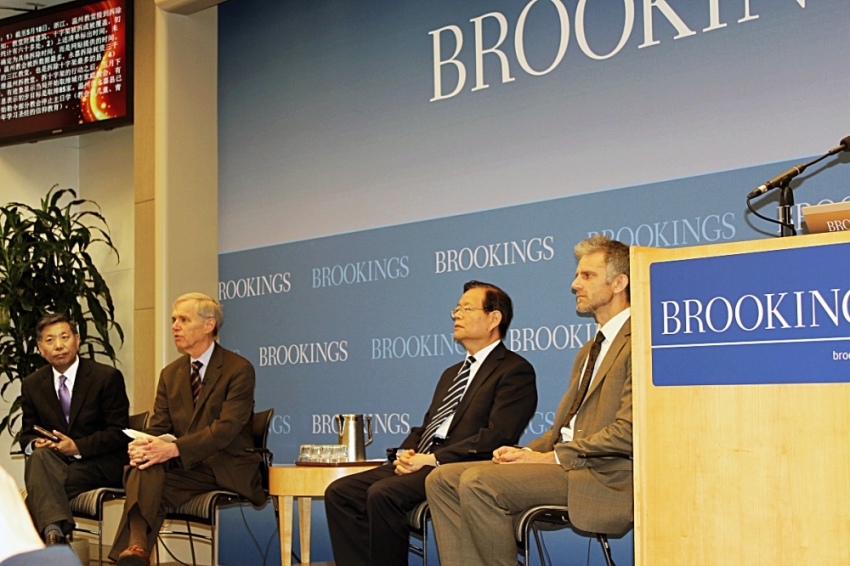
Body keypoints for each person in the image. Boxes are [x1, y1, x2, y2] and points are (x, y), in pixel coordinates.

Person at [425, 235, 633, 566]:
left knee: (479, 483)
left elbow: (630, 432)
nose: (574, 284)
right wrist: (528, 453)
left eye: (587, 276)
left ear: (619, 282)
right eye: (577, 275)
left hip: (600, 474)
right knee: (441, 478)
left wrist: (549, 459)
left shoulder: (641, 340)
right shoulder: (589, 349)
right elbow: (562, 431)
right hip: (566, 465)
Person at [324, 280, 537, 566]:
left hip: (460, 468)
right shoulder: (452, 373)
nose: (456, 315)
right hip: (423, 462)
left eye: (466, 309)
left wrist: (432, 459)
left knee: (383, 493)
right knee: (341, 492)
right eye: (456, 309)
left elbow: (496, 436)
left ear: (494, 319)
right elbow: (427, 427)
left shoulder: (514, 370)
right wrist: (406, 454)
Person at [109, 293, 264, 566]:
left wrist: (173, 449)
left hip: (224, 466)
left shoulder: (238, 369)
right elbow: (159, 426)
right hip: (185, 469)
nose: (174, 326)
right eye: (173, 320)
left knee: (145, 482)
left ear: (208, 325)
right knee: (142, 468)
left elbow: (226, 429)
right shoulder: (171, 374)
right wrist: (144, 445)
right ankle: (136, 549)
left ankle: (134, 549)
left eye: (183, 319)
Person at [20, 313, 130, 545]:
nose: (59, 345)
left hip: (99, 463)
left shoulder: (106, 377)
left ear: (77, 340)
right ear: (40, 348)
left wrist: (77, 447)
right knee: (39, 456)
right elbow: (27, 433)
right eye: (50, 340)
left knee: (39, 489)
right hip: (55, 463)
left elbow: (119, 432)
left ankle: (50, 541)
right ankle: (54, 536)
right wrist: (35, 443)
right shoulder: (32, 384)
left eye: (64, 337)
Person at [0, 464, 82, 566]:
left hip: (93, 467)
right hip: (54, 465)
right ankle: (53, 537)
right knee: (38, 462)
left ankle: (52, 538)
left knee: (38, 488)